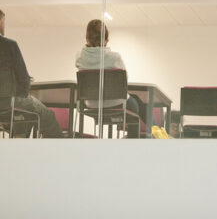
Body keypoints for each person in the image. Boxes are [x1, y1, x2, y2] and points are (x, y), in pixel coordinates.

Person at [75, 19, 144, 138]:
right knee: (136, 105)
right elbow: (124, 81)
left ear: (87, 38)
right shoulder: (114, 57)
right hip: (116, 103)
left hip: (92, 104)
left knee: (136, 101)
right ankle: (136, 141)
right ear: (106, 40)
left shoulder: (80, 57)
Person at [0, 9, 62, 138]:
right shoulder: (10, 45)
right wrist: (22, 92)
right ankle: (55, 153)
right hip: (8, 102)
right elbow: (23, 79)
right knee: (47, 115)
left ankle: (19, 140)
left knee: (23, 112)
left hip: (8, 105)